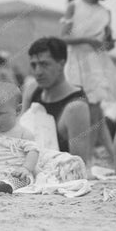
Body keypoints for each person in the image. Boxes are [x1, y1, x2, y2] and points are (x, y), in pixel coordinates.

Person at [61, 0, 116, 170]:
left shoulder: (106, 13)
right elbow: (63, 38)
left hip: (98, 66)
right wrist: (87, 40)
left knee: (95, 110)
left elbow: (106, 46)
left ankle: (89, 160)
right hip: (77, 62)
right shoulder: (74, 7)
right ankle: (88, 157)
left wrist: (107, 42)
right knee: (83, 110)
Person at [22, 37, 91, 169]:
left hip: (58, 179)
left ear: (61, 64)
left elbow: (79, 165)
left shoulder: (75, 107)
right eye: (34, 65)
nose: (38, 72)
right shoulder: (32, 90)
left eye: (44, 64)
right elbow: (18, 135)